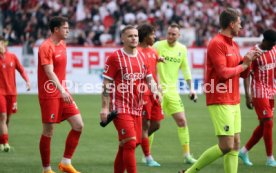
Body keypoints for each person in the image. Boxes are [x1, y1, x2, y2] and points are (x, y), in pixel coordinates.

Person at [179, 8, 261, 173]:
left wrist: (249, 60)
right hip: (219, 98)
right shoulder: (217, 43)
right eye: (239, 23)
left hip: (234, 99)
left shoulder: (234, 44)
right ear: (231, 24)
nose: (242, 26)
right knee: (226, 145)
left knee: (235, 144)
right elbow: (223, 74)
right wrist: (244, 64)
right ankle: (189, 172)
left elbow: (243, 72)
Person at [100, 25, 161, 173]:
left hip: (137, 107)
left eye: (135, 36)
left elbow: (149, 78)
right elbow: (106, 84)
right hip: (120, 107)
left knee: (125, 145)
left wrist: (156, 91)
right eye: (130, 36)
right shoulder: (115, 57)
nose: (133, 38)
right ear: (122, 38)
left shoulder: (142, 56)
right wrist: (104, 108)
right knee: (130, 143)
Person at [38, 16, 84, 173]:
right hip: (49, 93)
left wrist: (64, 89)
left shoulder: (63, 44)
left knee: (78, 125)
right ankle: (46, 169)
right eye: (65, 28)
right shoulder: (46, 47)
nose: (68, 30)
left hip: (63, 91)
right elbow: (49, 71)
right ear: (56, 29)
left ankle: (65, 162)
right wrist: (62, 90)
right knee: (48, 131)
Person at [153, 23, 197, 164]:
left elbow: (185, 69)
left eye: (174, 34)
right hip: (157, 91)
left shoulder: (182, 49)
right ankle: (147, 155)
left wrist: (192, 88)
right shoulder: (157, 46)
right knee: (154, 125)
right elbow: (149, 65)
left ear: (179, 36)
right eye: (169, 33)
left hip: (172, 92)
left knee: (182, 121)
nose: (170, 36)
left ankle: (187, 155)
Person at [239, 29, 276, 167]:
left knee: (264, 124)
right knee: (268, 122)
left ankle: (243, 151)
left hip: (271, 90)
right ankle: (270, 158)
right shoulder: (253, 54)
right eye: (272, 43)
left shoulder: (274, 50)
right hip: (259, 91)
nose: (273, 46)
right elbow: (246, 74)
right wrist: (248, 96)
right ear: (265, 41)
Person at [137, 23, 164, 167]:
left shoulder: (154, 51)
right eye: (152, 34)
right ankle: (148, 157)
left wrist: (159, 89)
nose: (155, 37)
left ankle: (134, 141)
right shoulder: (136, 52)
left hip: (154, 93)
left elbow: (155, 72)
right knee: (145, 126)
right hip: (142, 94)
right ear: (145, 36)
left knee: (157, 124)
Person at [0, 36, 31, 152]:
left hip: (12, 93)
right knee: (2, 117)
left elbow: (21, 69)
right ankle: (6, 143)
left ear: (3, 44)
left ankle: (1, 141)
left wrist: (27, 80)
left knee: (7, 118)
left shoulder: (12, 57)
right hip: (0, 93)